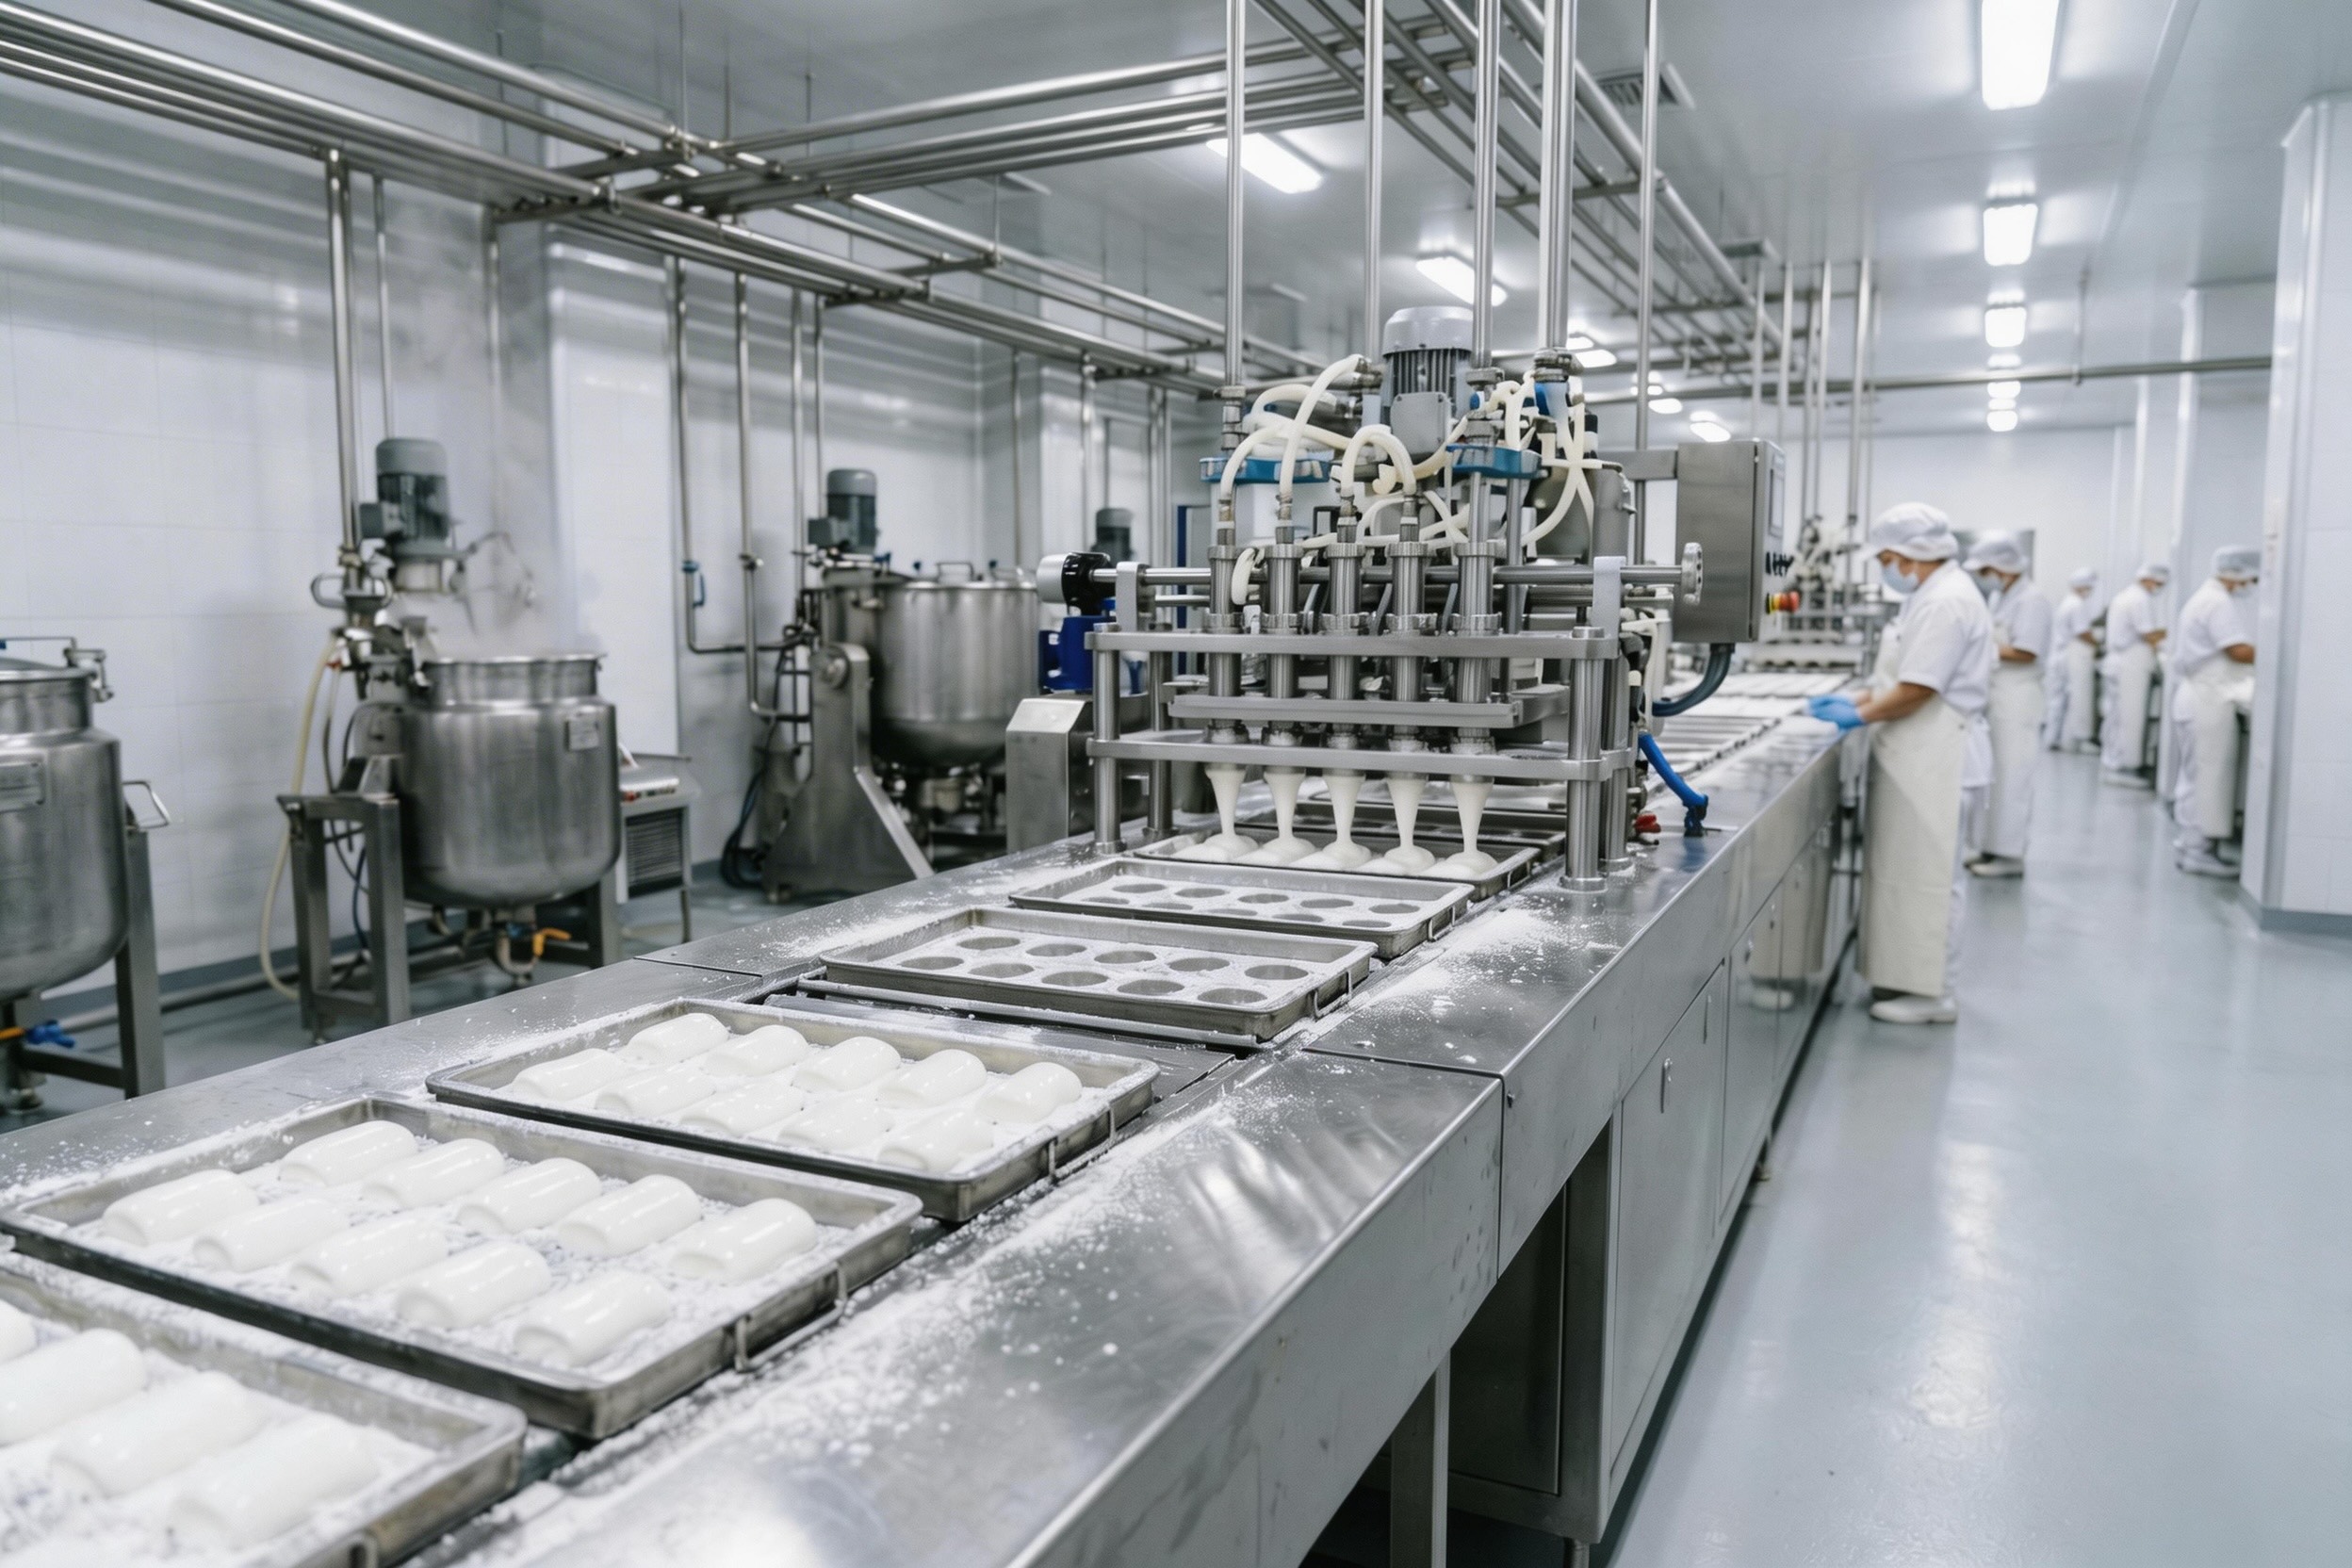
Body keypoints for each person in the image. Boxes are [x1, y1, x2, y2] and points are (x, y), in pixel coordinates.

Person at [1807, 504, 1994, 1025]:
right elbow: (1905, 677)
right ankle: (1909, 977)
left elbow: (1917, 690)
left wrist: (1856, 714)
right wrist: (1862, 697)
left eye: (1887, 559)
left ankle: (1934, 994)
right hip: (1919, 753)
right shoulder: (1932, 596)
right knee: (1910, 870)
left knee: (1929, 874)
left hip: (1938, 753)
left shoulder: (1946, 602)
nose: (1886, 569)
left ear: (1909, 556)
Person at [1963, 533, 2050, 877]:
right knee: (1994, 776)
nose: (1985, 576)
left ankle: (2010, 856)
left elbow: (2027, 650)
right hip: (1999, 696)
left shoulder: (2033, 600)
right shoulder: (2003, 596)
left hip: (2018, 699)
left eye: (1986, 569)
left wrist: (1979, 648)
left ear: (2003, 567)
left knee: (2012, 777)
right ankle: (1989, 847)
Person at [2168, 546, 2260, 875]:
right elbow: (2236, 650)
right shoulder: (2218, 602)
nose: (2253, 584)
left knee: (2197, 773)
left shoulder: (2205, 598)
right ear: (2239, 573)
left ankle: (2190, 842)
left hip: (2198, 696)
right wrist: (2274, 651)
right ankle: (2199, 850)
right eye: (2253, 577)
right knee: (2210, 774)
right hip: (2208, 698)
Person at [2099, 563, 2169, 785]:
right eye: (2159, 583)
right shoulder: (2140, 599)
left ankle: (2113, 761)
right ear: (2150, 579)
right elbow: (2148, 634)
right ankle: (2126, 767)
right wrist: (2169, 635)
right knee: (2131, 717)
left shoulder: (2126, 596)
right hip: (2130, 665)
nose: (2159, 587)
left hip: (2119, 662)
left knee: (2117, 716)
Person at [2044, 567, 2099, 751]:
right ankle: (2080, 738)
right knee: (2079, 696)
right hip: (2069, 657)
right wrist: (2098, 644)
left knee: (2057, 699)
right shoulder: (2076, 604)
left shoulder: (2067, 602)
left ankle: (2053, 738)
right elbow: (2082, 632)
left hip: (2059, 655)